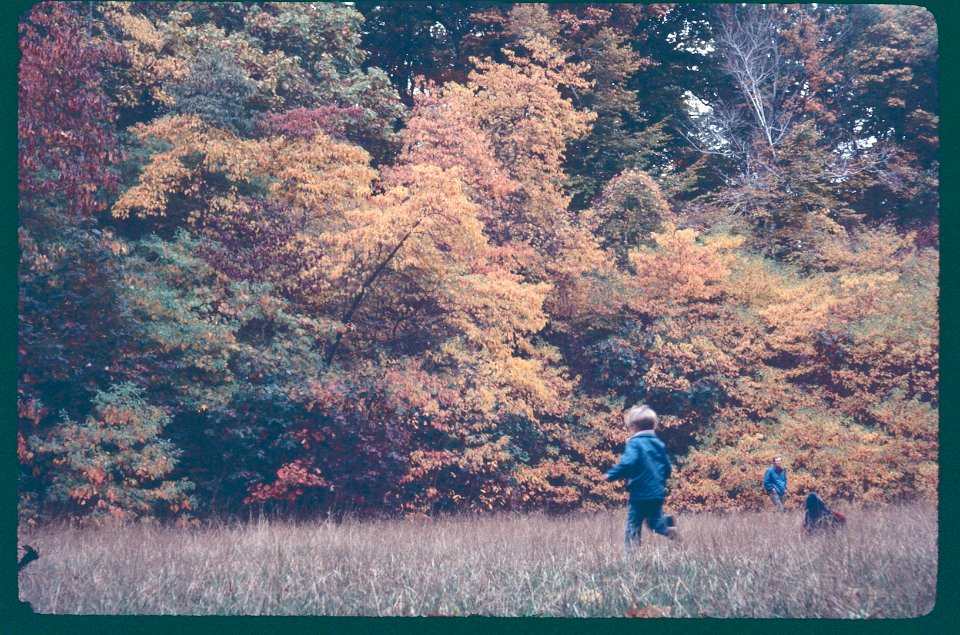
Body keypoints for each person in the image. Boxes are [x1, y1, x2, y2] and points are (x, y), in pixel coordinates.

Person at [605, 405, 676, 550]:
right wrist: (661, 480)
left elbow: (628, 463)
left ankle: (631, 559)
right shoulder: (658, 443)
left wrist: (611, 475)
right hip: (657, 493)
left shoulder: (634, 443)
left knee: (633, 526)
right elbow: (668, 467)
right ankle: (666, 525)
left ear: (634, 427)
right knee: (654, 523)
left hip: (639, 494)